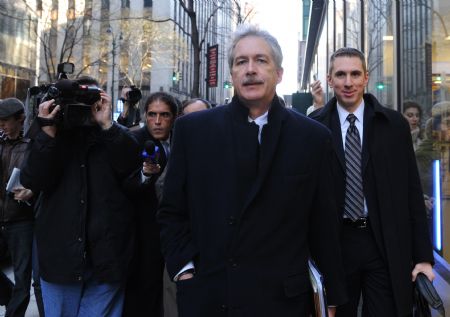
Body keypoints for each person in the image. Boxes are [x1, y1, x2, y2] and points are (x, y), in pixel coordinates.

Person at [157, 24, 346, 317]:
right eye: (241, 61)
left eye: (261, 60)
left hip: (282, 301)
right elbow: (171, 211)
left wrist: (330, 298)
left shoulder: (312, 137)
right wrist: (184, 269)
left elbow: (324, 224)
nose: (250, 69)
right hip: (210, 296)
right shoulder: (193, 131)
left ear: (279, 73)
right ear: (232, 73)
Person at [309, 47, 434, 316]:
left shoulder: (393, 125)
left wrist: (423, 257)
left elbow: (412, 192)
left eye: (355, 74)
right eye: (340, 75)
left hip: (383, 243)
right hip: (335, 246)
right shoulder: (314, 127)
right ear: (330, 80)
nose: (348, 82)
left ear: (366, 77)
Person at [20, 76, 141, 317]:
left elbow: (132, 167)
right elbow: (33, 180)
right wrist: (46, 132)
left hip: (107, 258)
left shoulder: (113, 135)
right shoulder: (49, 135)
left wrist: (108, 126)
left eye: (87, 102)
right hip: (60, 259)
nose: (79, 110)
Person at [122, 91, 178, 317]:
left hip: (174, 233)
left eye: (164, 115)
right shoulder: (133, 140)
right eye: (152, 114)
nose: (157, 121)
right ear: (145, 115)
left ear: (174, 117)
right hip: (142, 235)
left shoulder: (181, 139)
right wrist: (145, 174)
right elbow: (122, 184)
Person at [0, 98, 34, 317]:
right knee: (17, 284)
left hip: (22, 219)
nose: (1, 125)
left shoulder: (32, 145)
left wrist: (30, 190)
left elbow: (41, 179)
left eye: (5, 120)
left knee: (23, 275)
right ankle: (9, 295)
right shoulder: (0, 143)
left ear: (20, 119)